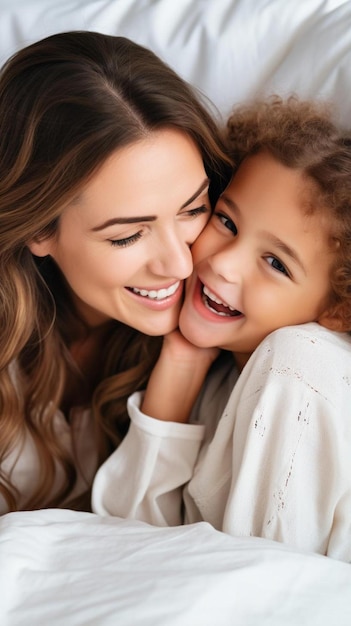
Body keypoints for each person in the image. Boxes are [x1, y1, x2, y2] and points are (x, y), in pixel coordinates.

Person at [92, 96, 351, 562]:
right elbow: (122, 545)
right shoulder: (229, 371)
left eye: (275, 262)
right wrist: (181, 365)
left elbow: (256, 585)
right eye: (227, 221)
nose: (223, 263)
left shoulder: (301, 363)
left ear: (339, 308)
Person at [0, 30, 232, 514]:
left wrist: (182, 368)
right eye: (127, 235)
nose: (180, 263)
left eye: (193, 210)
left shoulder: (227, 323)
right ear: (39, 231)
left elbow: (142, 551)